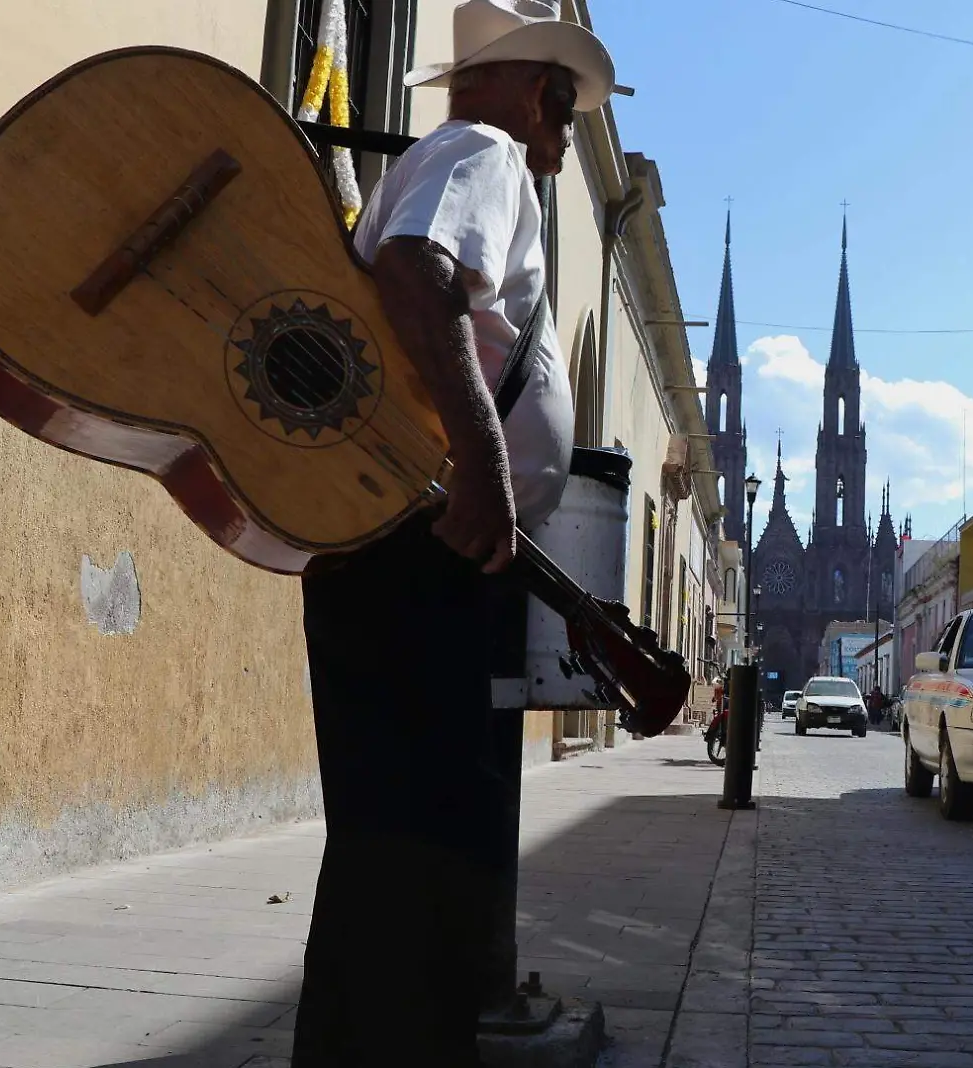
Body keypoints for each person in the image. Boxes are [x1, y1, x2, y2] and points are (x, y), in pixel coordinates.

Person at [292, 3, 615, 1064]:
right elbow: (416, 272)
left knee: (402, 842)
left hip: (419, 550)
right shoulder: (483, 150)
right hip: (418, 550)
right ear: (536, 95)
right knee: (418, 846)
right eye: (564, 116)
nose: (563, 144)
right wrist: (484, 463)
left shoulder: (460, 153)